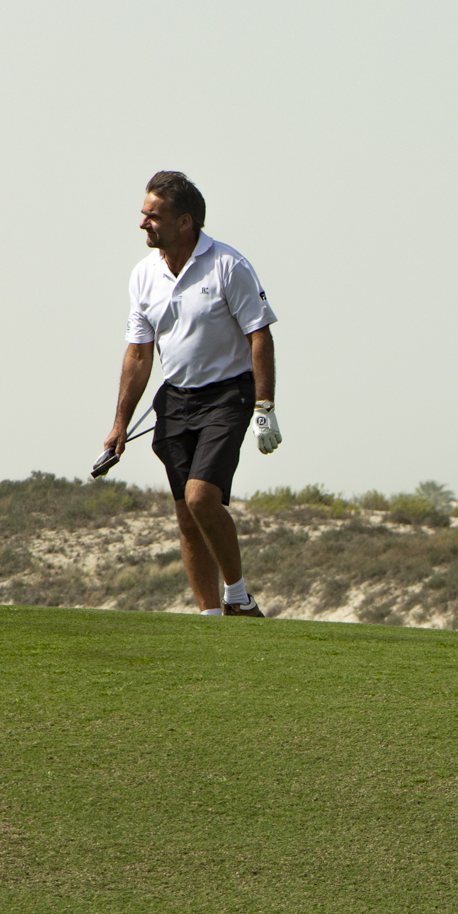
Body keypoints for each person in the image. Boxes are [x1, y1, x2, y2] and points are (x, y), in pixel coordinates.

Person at [101, 171, 281, 616]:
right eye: (144, 215)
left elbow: (260, 335)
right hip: (176, 400)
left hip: (227, 396)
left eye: (153, 216)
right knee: (186, 515)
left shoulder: (228, 265)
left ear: (185, 222)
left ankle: (238, 598)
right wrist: (120, 422)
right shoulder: (143, 275)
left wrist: (265, 408)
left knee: (203, 498)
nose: (144, 224)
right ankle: (210, 617)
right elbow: (139, 355)